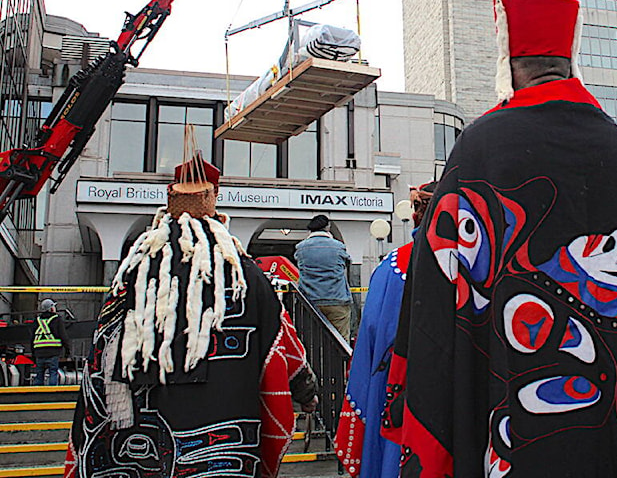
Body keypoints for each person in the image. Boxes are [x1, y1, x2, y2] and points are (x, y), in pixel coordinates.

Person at [382, 0, 617, 477]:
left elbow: (438, 290)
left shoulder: (482, 148)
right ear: (569, 62)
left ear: (508, 66)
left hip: (525, 408)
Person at [66, 156, 318, 478]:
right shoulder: (243, 274)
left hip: (140, 432)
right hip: (223, 434)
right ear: (214, 198)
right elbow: (281, 345)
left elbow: (103, 350)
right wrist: (305, 393)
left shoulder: (134, 271)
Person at [335, 181, 436, 478]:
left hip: (401, 397)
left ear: (416, 215)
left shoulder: (392, 267)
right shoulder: (477, 263)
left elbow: (371, 342)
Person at [295, 214, 352, 341]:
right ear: (328, 227)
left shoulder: (301, 248)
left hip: (310, 301)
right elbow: (348, 262)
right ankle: (340, 361)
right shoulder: (338, 246)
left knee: (311, 340)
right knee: (341, 341)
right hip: (337, 299)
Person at [32, 298, 67, 386]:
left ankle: (36, 395)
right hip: (53, 352)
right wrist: (67, 351)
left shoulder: (37, 320)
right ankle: (52, 394)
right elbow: (63, 336)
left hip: (39, 353)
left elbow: (32, 338)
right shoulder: (57, 319)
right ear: (51, 308)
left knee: (39, 375)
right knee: (53, 373)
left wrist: (33, 353)